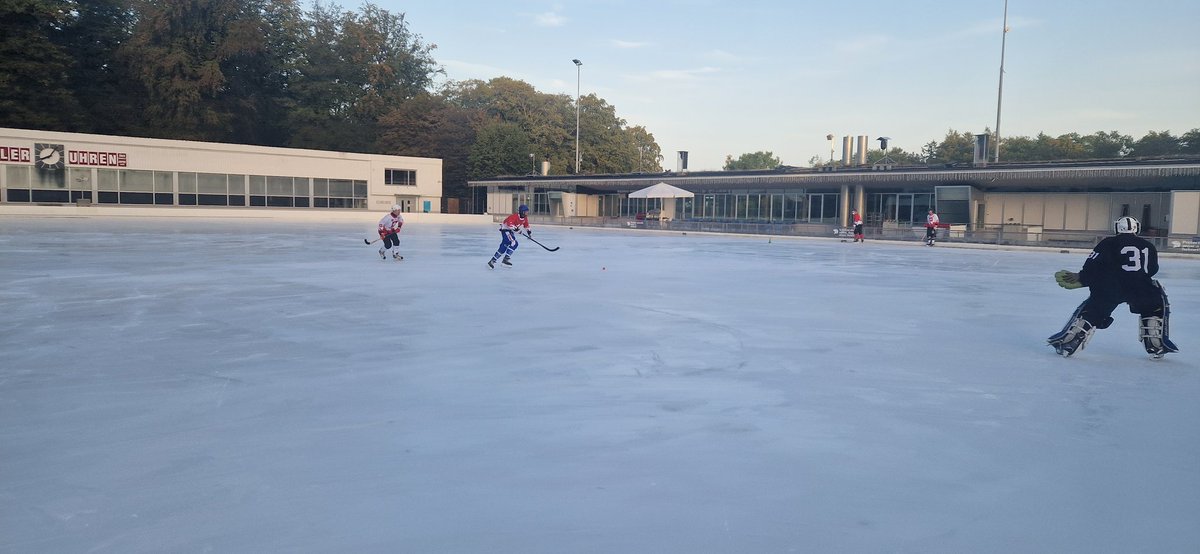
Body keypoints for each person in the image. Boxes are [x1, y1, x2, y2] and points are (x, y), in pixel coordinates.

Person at [1047, 216, 1178, 358]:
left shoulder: (1108, 243)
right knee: (1154, 307)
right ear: (1137, 228)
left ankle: (1069, 342)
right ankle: (1156, 344)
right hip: (1140, 286)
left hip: (1111, 286)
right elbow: (1152, 269)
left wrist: (1083, 278)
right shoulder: (1148, 246)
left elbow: (1093, 265)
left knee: (1092, 311)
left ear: (1117, 228)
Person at [488, 204, 531, 268]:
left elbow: (526, 225)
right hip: (505, 230)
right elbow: (509, 224)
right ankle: (505, 259)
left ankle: (492, 261)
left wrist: (529, 233)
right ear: (522, 212)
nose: (527, 213)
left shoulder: (525, 218)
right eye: (526, 212)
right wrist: (516, 229)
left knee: (503, 247)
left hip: (510, 231)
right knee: (514, 243)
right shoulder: (514, 216)